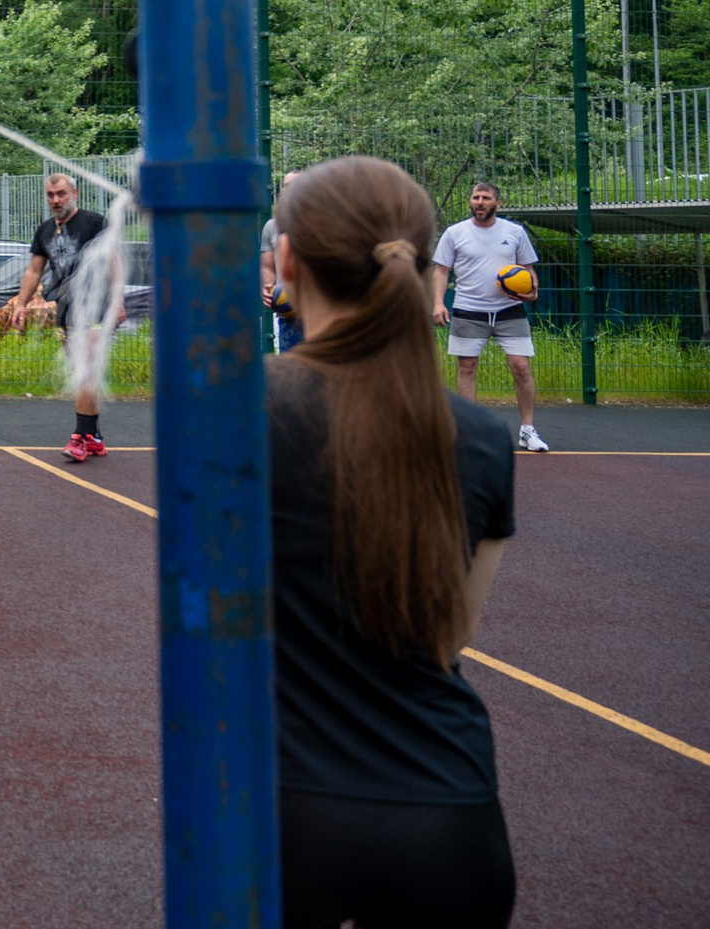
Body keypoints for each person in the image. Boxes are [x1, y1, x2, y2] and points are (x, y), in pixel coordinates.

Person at [266, 156, 517, 929]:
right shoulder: (481, 434)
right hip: (450, 807)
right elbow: (454, 629)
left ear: (290, 262)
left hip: (288, 805)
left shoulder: (239, 406)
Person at [0, 172, 114, 462]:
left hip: (95, 307)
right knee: (82, 374)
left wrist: (118, 302)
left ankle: (80, 437)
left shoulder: (94, 223)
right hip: (66, 311)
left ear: (75, 193)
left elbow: (114, 262)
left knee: (85, 371)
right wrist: (20, 304)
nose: (56, 200)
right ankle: (94, 436)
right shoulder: (45, 230)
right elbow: (34, 270)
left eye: (61, 194)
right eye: (51, 195)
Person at [431, 181, 546, 453]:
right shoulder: (454, 233)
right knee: (467, 367)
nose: (479, 201)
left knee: (521, 366)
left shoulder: (515, 232)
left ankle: (527, 431)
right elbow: (441, 270)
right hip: (468, 309)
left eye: (485, 197)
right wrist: (438, 302)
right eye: (475, 197)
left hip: (509, 310)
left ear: (498, 203)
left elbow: (528, 270)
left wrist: (532, 291)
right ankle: (470, 432)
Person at [261, 169, 304, 351]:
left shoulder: (324, 222)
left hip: (320, 310)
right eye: (286, 187)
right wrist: (268, 290)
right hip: (287, 314)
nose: (290, 191)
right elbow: (268, 267)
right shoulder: (271, 226)